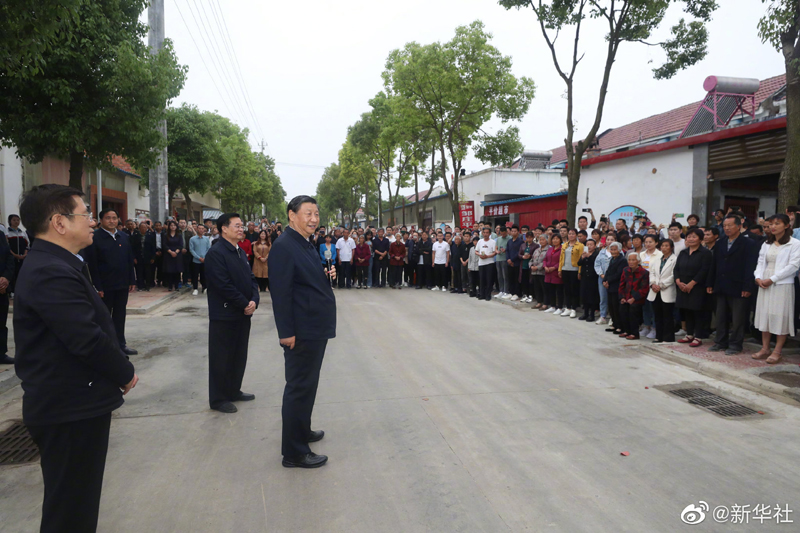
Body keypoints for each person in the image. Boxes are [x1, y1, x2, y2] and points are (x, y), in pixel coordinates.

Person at [14, 184, 138, 532]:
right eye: (85, 213)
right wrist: (124, 372)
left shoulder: (57, 262)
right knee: (70, 510)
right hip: (68, 407)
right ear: (60, 223)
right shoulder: (50, 270)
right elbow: (85, 338)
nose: (93, 221)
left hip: (73, 403)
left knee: (76, 503)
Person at [268, 196, 337, 469]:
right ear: (291, 215)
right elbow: (281, 293)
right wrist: (286, 332)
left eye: (316, 213)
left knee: (308, 385)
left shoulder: (305, 243)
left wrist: (324, 274)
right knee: (298, 388)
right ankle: (294, 452)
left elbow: (302, 281)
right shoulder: (284, 246)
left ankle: (302, 430)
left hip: (314, 327)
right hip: (301, 330)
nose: (314, 219)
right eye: (308, 213)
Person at [204, 213, 259, 414]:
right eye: (236, 225)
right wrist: (244, 303)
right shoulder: (216, 253)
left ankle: (234, 390)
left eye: (241, 225)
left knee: (238, 355)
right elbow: (222, 285)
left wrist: (254, 300)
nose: (241, 228)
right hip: (224, 315)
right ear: (223, 229)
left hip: (243, 313)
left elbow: (251, 279)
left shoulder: (240, 252)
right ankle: (218, 398)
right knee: (222, 357)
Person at [83, 209, 137, 356]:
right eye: (108, 218)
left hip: (122, 284)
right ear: (101, 220)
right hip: (105, 286)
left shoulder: (124, 237)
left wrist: (132, 279)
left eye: (114, 218)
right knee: (104, 317)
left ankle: (121, 344)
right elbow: (92, 265)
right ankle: (108, 348)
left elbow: (129, 260)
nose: (112, 221)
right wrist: (97, 286)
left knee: (120, 316)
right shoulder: (95, 237)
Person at [707, 215, 758, 355]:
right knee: (721, 316)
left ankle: (735, 344)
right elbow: (714, 264)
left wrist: (748, 287)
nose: (727, 228)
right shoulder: (720, 242)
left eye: (730, 225)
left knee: (738, 318)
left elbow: (750, 267)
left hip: (739, 286)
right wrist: (710, 282)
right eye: (724, 226)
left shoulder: (749, 243)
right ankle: (720, 342)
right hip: (721, 285)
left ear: (739, 226)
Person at [752, 214, 800, 364]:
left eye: (777, 223)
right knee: (764, 315)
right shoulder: (767, 243)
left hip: (782, 284)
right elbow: (760, 262)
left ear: (786, 225)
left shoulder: (795, 244)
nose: (773, 227)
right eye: (771, 224)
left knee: (780, 316)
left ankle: (777, 350)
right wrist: (758, 277)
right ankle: (765, 348)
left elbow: (793, 266)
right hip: (764, 282)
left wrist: (772, 279)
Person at [674, 228, 713, 347]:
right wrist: (678, 281)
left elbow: (704, 270)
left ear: (701, 239)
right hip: (682, 286)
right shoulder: (683, 252)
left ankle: (698, 336)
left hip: (697, 287)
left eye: (694, 237)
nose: (691, 239)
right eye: (689, 236)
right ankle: (689, 334)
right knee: (687, 311)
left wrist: (692, 283)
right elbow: (677, 268)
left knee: (698, 312)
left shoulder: (705, 253)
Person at [649, 239, 678, 343]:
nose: (664, 248)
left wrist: (661, 285)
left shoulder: (675, 259)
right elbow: (652, 273)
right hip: (655, 291)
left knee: (668, 315)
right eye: (662, 246)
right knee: (657, 315)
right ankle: (659, 336)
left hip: (667, 290)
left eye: (667, 246)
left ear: (671, 247)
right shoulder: (657, 260)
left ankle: (668, 337)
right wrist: (653, 284)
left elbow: (673, 275)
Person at [617, 253, 650, 340]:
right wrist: (622, 297)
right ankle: (626, 331)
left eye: (633, 260)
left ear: (638, 261)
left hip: (637, 298)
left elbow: (644, 288)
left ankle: (634, 333)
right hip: (626, 296)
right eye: (629, 260)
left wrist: (634, 298)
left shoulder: (644, 272)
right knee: (622, 310)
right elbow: (622, 285)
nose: (631, 262)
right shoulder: (625, 270)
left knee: (633, 311)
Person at [558, 228, 584, 318]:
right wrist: (560, 269)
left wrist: (580, 272)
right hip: (565, 269)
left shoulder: (580, 245)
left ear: (576, 235)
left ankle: (573, 308)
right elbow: (561, 258)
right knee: (567, 290)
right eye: (569, 234)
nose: (571, 235)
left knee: (574, 290)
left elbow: (581, 259)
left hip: (574, 270)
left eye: (573, 234)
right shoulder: (564, 245)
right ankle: (568, 308)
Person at [604, 242, 627, 335]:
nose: (613, 251)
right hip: (609, 286)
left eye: (615, 249)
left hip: (617, 286)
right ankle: (614, 323)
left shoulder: (622, 260)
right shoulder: (612, 259)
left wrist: (608, 281)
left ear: (620, 250)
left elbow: (619, 274)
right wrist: (604, 281)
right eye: (611, 249)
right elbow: (608, 271)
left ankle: (619, 326)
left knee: (617, 307)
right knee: (611, 306)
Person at [594, 233, 615, 325]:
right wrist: (601, 275)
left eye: (612, 239)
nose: (609, 241)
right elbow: (597, 264)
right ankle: (603, 316)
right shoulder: (601, 252)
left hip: (614, 279)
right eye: (608, 239)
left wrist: (610, 278)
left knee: (613, 299)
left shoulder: (619, 252)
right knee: (603, 298)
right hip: (602, 278)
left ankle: (613, 317)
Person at [0, 231, 15, 364]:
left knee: (1, 322)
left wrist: (6, 278)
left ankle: (1, 353)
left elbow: (9, 257)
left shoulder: (0, 235)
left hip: (2, 288)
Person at [131, 221, 156, 291]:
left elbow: (153, 247)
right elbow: (132, 247)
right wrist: (134, 257)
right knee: (139, 272)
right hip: (138, 256)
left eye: (145, 227)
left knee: (148, 272)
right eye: (141, 227)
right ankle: (140, 286)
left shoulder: (150, 236)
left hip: (148, 257)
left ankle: (147, 286)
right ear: (139, 228)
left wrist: (153, 257)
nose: (143, 229)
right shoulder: (135, 236)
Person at [578, 238, 599, 321]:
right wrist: (582, 257)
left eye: (591, 245)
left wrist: (588, 257)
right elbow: (579, 263)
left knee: (592, 297)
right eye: (587, 244)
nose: (589, 246)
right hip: (584, 277)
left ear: (595, 246)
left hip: (593, 278)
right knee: (584, 295)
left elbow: (595, 263)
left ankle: (592, 314)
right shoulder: (584, 253)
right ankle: (585, 313)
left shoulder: (596, 254)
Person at [6, 214, 29, 294]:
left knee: (21, 274)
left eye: (18, 220)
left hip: (23, 258)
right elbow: (7, 247)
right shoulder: (7, 233)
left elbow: (27, 245)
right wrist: (15, 255)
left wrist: (25, 254)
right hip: (12, 258)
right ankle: (12, 291)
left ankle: (21, 291)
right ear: (10, 221)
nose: (16, 222)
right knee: (12, 274)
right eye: (14, 220)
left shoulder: (23, 233)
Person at [543, 234, 564, 313]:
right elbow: (545, 259)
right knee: (550, 290)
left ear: (560, 240)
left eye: (557, 239)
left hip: (556, 273)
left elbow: (561, 261)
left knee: (559, 291)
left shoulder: (562, 249)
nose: (555, 240)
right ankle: (552, 306)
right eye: (553, 239)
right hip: (548, 273)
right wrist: (545, 266)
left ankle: (560, 307)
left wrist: (554, 267)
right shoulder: (550, 249)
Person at [189, 224, 212, 296]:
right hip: (196, 260)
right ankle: (195, 288)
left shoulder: (206, 239)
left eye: (202, 229)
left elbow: (209, 249)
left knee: (204, 274)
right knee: (195, 275)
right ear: (197, 229)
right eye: (199, 228)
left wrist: (205, 257)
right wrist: (198, 257)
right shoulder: (192, 239)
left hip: (205, 260)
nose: (201, 230)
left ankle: (204, 287)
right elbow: (191, 250)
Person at [476, 227, 497, 301]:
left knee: (489, 280)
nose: (485, 234)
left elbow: (494, 252)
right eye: (484, 232)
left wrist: (487, 256)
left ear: (490, 234)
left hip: (489, 262)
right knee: (482, 280)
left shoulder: (493, 242)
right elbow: (476, 251)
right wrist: (480, 255)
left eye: (487, 232)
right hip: (481, 263)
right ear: (482, 233)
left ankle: (488, 295)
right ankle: (482, 294)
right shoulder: (480, 241)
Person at [162, 220, 183, 291]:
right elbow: (164, 245)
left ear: (176, 226)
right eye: (171, 225)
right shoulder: (165, 235)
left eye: (174, 225)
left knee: (177, 271)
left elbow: (181, 245)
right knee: (169, 271)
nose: (173, 227)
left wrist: (176, 252)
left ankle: (177, 286)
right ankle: (170, 286)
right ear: (169, 227)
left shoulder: (179, 235)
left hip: (177, 254)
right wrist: (171, 252)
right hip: (168, 254)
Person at [530, 234, 549, 309]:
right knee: (537, 288)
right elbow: (532, 259)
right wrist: (531, 266)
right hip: (534, 272)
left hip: (543, 272)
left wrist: (537, 267)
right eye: (540, 240)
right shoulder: (537, 250)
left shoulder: (548, 250)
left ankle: (545, 303)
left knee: (544, 288)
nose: (541, 241)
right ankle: (539, 302)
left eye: (543, 239)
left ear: (547, 241)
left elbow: (546, 261)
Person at [518, 232, 536, 303]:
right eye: (527, 237)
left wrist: (530, 256)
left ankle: (530, 295)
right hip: (523, 265)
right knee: (524, 280)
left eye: (530, 237)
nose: (529, 239)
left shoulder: (536, 246)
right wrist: (522, 256)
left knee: (530, 281)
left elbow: (536, 254)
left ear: (533, 237)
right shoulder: (522, 245)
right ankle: (525, 294)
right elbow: (519, 254)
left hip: (531, 265)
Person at [506, 225, 523, 300]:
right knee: (510, 278)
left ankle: (517, 293)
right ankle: (511, 292)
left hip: (516, 263)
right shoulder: (509, 241)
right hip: (509, 263)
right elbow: (507, 251)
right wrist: (508, 259)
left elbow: (519, 252)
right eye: (512, 231)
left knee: (517, 278)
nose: (513, 232)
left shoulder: (520, 241)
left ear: (518, 232)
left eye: (515, 231)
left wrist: (512, 260)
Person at [494, 226, 510, 298]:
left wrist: (505, 250)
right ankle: (501, 290)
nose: (503, 235)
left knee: (505, 276)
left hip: (505, 259)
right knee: (499, 276)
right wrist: (497, 251)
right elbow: (496, 247)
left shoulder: (509, 238)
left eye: (504, 234)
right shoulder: (499, 238)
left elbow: (510, 249)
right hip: (498, 258)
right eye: (501, 234)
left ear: (506, 232)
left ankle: (506, 291)